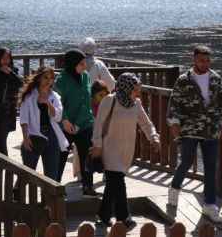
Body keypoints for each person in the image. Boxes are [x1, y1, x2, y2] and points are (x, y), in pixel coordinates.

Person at [91, 73, 160, 230]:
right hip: (109, 149)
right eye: (135, 89)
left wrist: (154, 138)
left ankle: (103, 215)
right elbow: (99, 124)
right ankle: (124, 218)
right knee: (118, 182)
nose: (138, 93)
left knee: (112, 185)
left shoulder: (136, 104)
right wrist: (97, 145)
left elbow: (146, 124)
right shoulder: (110, 100)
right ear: (126, 87)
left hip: (126, 150)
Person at [166, 45, 222, 223]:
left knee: (210, 166)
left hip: (210, 129)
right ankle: (175, 189)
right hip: (190, 128)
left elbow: (221, 103)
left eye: (207, 60)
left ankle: (209, 204)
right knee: (185, 161)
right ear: (194, 60)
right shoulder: (184, 80)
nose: (205, 63)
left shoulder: (216, 79)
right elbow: (174, 103)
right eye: (201, 60)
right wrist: (174, 124)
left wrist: (221, 124)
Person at [54, 49, 97, 196]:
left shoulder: (86, 77)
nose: (84, 66)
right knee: (60, 157)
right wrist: (65, 120)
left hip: (84, 124)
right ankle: (56, 188)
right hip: (65, 125)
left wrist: (78, 123)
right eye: (81, 64)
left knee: (87, 156)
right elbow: (58, 102)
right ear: (73, 64)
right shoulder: (61, 80)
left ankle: (88, 187)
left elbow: (87, 102)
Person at [19, 66, 67, 181]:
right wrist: (25, 138)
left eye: (51, 78)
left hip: (52, 135)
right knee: (27, 172)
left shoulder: (55, 96)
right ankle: (17, 194)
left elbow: (58, 117)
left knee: (51, 174)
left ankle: (48, 198)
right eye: (46, 77)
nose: (49, 81)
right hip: (34, 136)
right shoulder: (29, 96)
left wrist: (48, 103)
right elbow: (24, 119)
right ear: (39, 78)